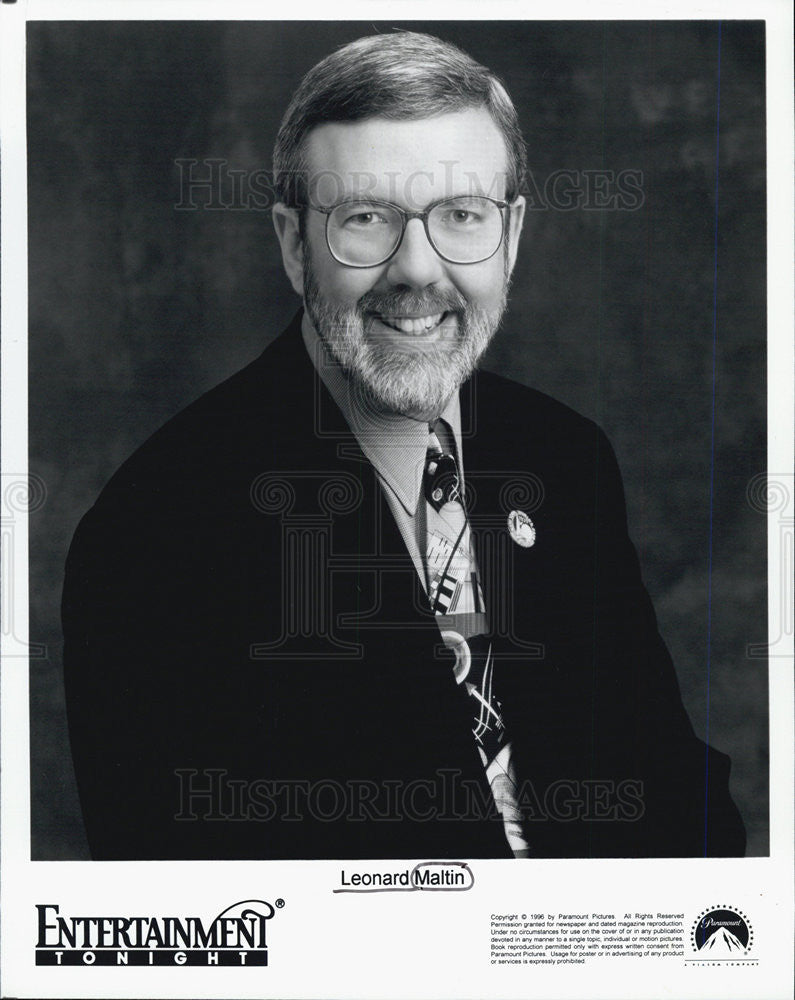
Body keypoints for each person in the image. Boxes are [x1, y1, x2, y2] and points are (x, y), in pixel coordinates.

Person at [62, 31, 745, 860]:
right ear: (291, 243)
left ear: (512, 234)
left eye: (461, 215)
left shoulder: (566, 458)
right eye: (366, 219)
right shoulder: (156, 531)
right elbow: (200, 919)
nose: (417, 270)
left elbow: (667, 784)